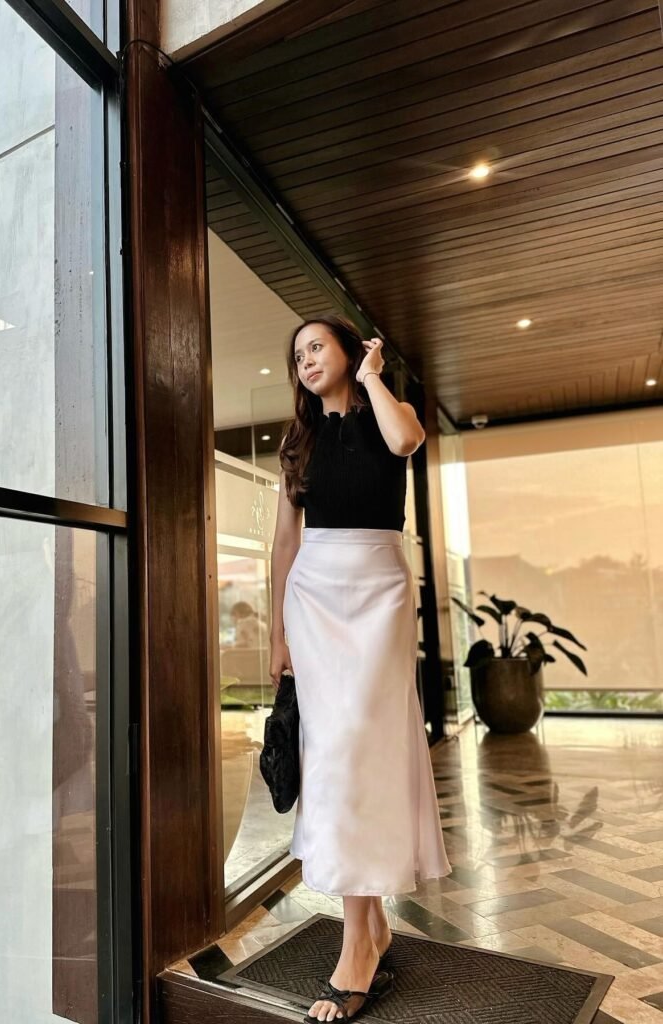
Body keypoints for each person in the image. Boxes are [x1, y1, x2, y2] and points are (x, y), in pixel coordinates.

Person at [269, 313, 452, 1023]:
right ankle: (362, 933)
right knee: (334, 753)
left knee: (364, 753)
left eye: (317, 346)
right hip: (314, 596)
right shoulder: (297, 440)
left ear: (350, 351)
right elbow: (283, 548)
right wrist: (278, 636)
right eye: (297, 355)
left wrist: (375, 379)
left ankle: (363, 939)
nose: (306, 359)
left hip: (379, 593)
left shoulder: (389, 410)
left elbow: (406, 440)